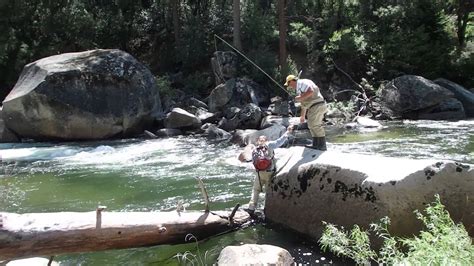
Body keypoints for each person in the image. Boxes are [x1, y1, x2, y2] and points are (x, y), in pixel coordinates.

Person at [238, 126, 294, 215]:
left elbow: (253, 162)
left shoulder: (255, 149)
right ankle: (266, 208)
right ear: (266, 140)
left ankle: (251, 208)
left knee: (256, 190)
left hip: (259, 173)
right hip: (269, 172)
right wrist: (288, 132)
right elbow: (280, 141)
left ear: (258, 141)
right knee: (268, 191)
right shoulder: (270, 145)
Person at [284, 74, 327, 150]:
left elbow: (310, 91)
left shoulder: (302, 83)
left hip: (317, 106)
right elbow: (304, 104)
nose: (289, 86)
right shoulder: (300, 87)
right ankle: (316, 144)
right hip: (314, 107)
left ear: (292, 81)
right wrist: (302, 116)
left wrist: (299, 98)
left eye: (289, 84)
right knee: (311, 125)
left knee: (315, 125)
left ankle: (322, 145)